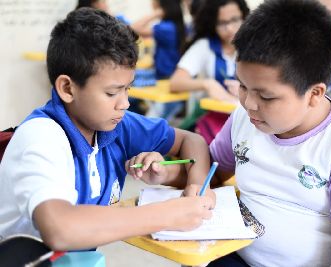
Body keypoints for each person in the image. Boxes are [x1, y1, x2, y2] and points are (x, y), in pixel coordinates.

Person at [0, 8, 215, 251]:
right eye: (112, 92)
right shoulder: (41, 138)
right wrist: (165, 214)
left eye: (128, 90)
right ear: (67, 89)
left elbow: (192, 141)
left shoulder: (118, 124)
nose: (124, 103)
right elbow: (60, 230)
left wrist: (199, 190)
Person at [207, 0, 331, 266]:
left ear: (314, 93)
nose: (248, 103)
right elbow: (211, 171)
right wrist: (171, 171)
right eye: (242, 86)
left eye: (266, 96)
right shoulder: (247, 118)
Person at [170, 0, 250, 144]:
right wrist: (208, 84)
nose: (230, 28)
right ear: (213, 24)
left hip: (248, 122)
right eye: (222, 23)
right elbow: (175, 82)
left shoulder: (255, 45)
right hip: (211, 123)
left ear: (244, 16)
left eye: (235, 20)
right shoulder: (205, 47)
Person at [132, 0, 186, 121]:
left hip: (165, 80)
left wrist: (156, 13)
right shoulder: (172, 25)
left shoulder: (167, 28)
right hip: (165, 76)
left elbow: (134, 28)